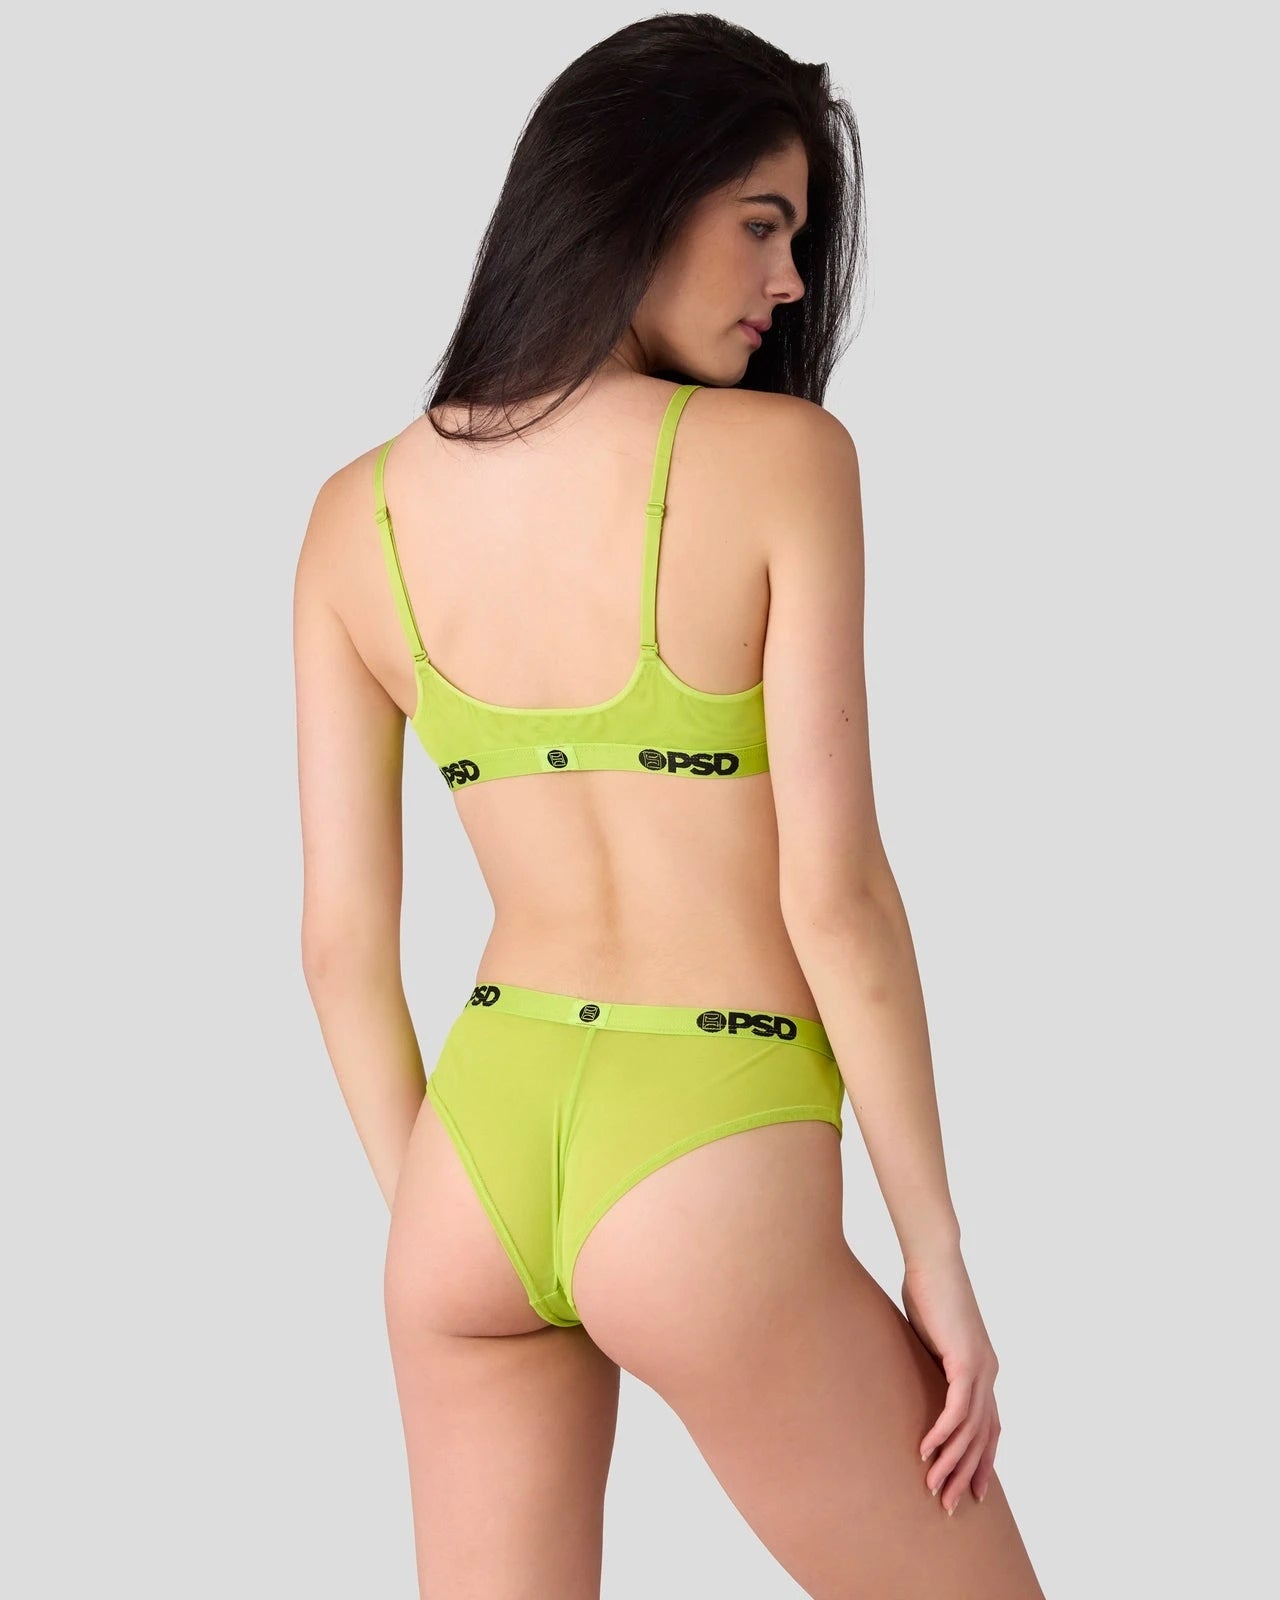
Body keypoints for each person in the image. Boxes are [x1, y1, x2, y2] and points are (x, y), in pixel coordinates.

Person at [293, 14, 1045, 1598]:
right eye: (764, 224)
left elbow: (340, 949)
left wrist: (454, 1223)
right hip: (709, 1140)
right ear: (636, 192)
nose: (790, 281)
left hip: (474, 1162)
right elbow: (836, 899)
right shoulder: (784, 462)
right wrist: (937, 1257)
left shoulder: (355, 516)